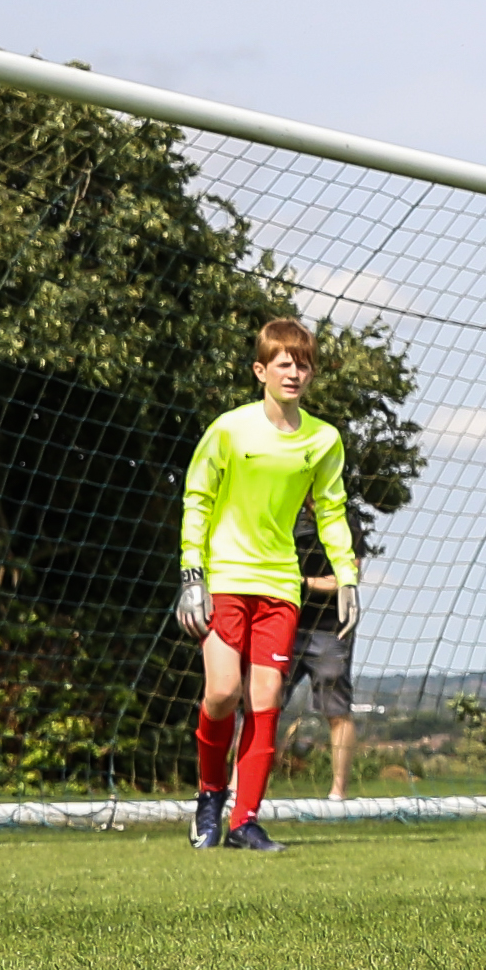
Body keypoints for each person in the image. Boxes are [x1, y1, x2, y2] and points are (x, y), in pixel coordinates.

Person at [173, 315, 358, 852]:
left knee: (267, 697)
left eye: (303, 364)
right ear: (261, 370)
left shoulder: (324, 440)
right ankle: (210, 796)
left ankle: (244, 821)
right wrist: (192, 574)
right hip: (226, 578)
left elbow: (332, 511)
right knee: (223, 692)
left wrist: (346, 575)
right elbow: (197, 497)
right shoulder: (229, 428)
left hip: (280, 584)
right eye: (284, 363)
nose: (295, 373)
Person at [295, 526, 361, 803]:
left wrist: (302, 582)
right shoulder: (285, 510)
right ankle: (239, 790)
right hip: (282, 622)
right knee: (259, 703)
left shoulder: (346, 519)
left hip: (330, 629)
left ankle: (338, 793)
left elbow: (348, 578)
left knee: (337, 710)